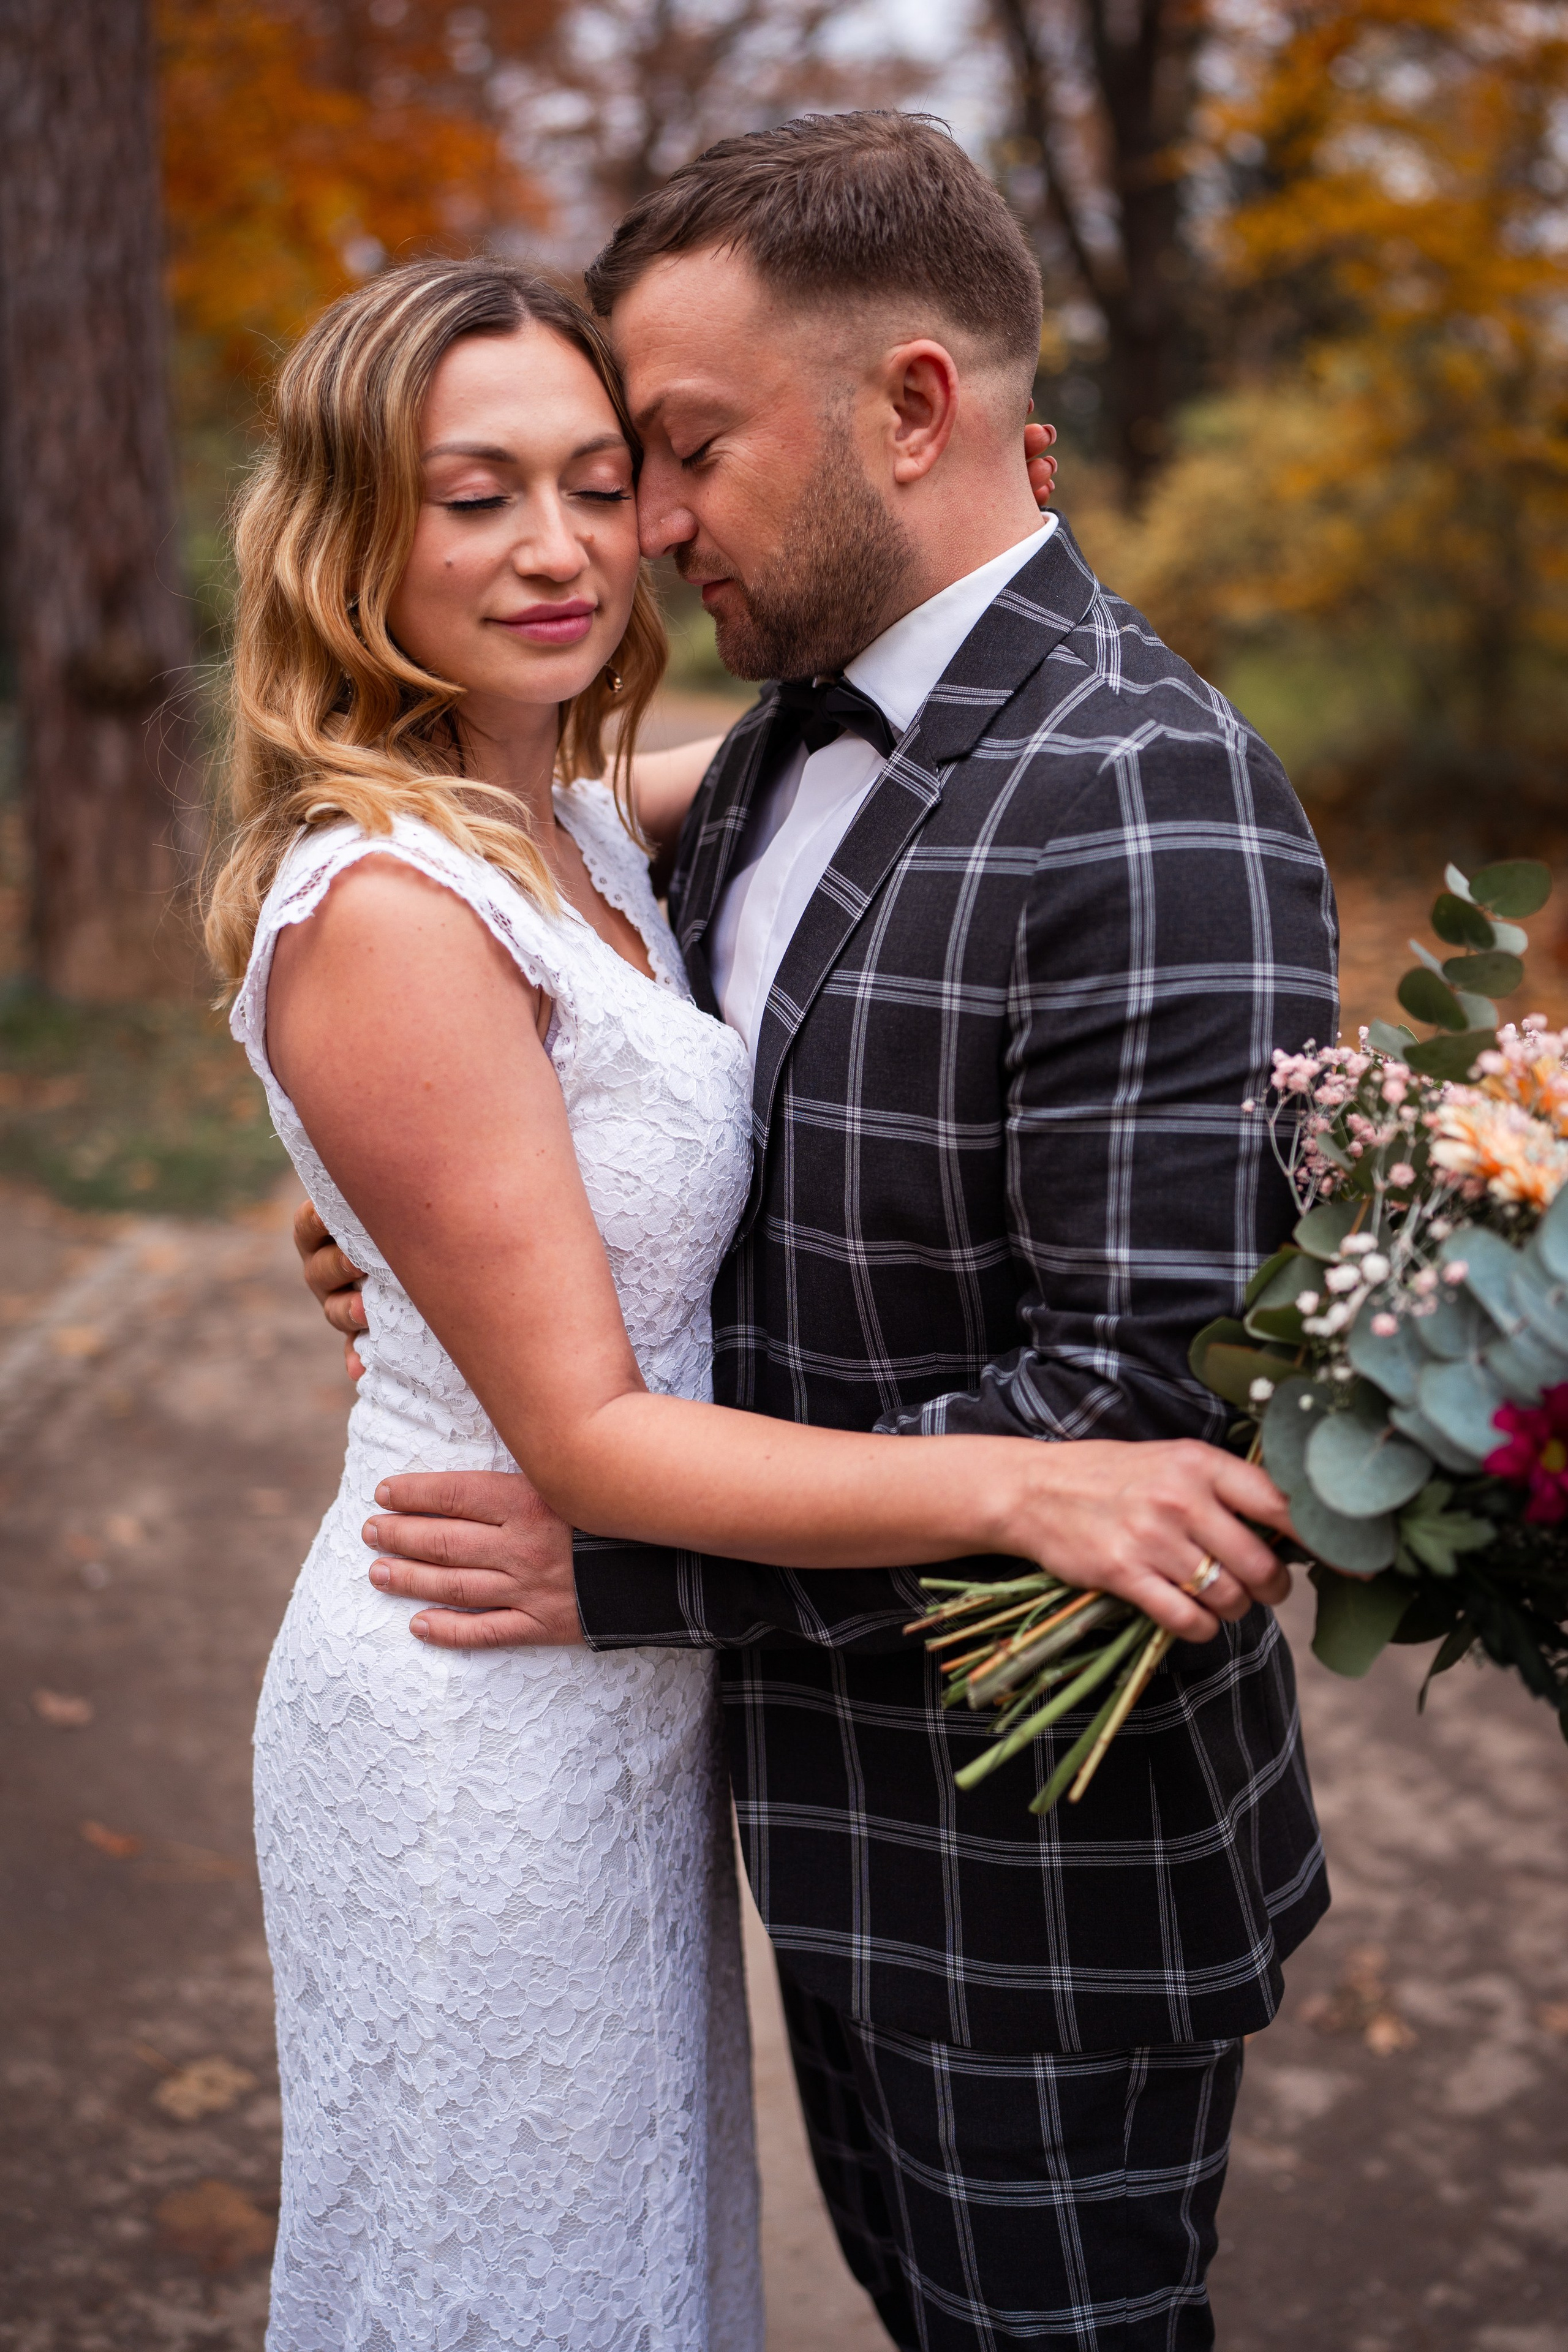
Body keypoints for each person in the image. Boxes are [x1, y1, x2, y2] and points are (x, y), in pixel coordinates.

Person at [292, 113, 1338, 2351]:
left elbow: (1135, 1430)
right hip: (825, 1834)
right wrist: (415, 1251)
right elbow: (526, 1007)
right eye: (546, 482)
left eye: (674, 455)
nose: (642, 534)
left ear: (915, 409)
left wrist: (651, 1567)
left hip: (1042, 1882)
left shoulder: (1138, 787)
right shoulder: (781, 739)